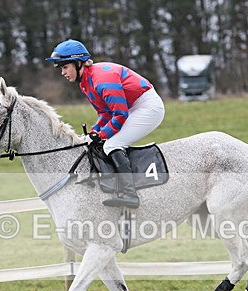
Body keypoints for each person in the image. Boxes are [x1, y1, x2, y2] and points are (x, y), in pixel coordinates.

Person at [46, 39, 165, 209]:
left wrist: (101, 134)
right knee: (98, 141)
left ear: (78, 63)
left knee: (112, 144)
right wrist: (92, 133)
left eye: (65, 67)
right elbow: (105, 113)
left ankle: (130, 195)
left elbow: (120, 114)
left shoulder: (102, 79)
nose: (63, 73)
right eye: (61, 68)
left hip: (148, 107)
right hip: (132, 108)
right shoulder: (86, 83)